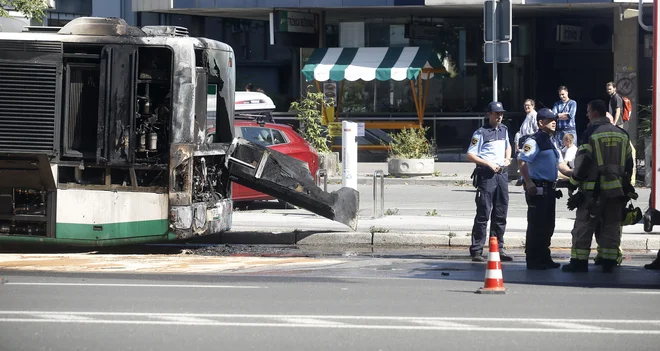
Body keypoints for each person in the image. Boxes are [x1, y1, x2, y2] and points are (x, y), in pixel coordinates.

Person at [563, 99, 634, 273]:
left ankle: (579, 262)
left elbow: (583, 162)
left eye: (588, 111)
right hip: (616, 191)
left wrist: (573, 183)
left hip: (593, 192)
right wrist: (627, 188)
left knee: (584, 226)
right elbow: (630, 163)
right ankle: (608, 260)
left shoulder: (590, 133)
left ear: (594, 113)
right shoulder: (622, 134)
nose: (587, 115)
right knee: (611, 225)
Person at [519, 108, 573, 270]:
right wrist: (528, 183)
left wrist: (574, 174)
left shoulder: (552, 141)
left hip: (550, 189)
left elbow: (561, 165)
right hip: (538, 189)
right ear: (541, 123)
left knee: (548, 225)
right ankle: (533, 259)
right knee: (537, 225)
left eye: (554, 119)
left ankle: (544, 256)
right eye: (550, 120)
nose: (554, 122)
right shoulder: (533, 141)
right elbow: (522, 162)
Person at [467, 101, 513, 262]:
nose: (499, 116)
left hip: (501, 175)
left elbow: (508, 146)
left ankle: (498, 248)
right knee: (483, 213)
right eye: (496, 114)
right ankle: (477, 249)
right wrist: (488, 163)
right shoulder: (481, 133)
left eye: (501, 114)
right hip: (487, 176)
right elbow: (470, 155)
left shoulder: (504, 130)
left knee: (501, 213)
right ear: (489, 115)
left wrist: (508, 158)